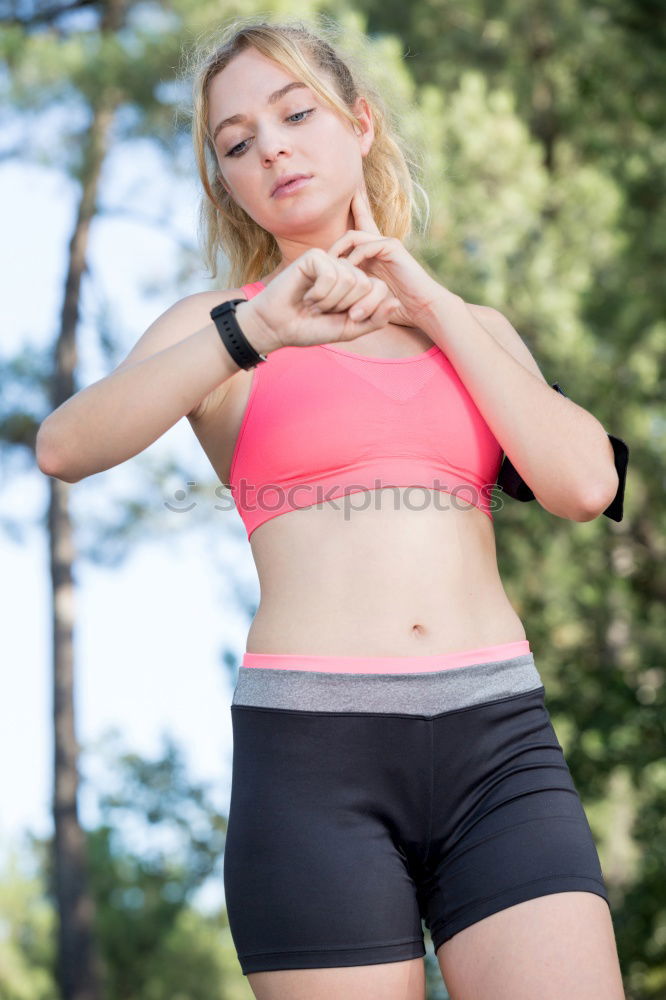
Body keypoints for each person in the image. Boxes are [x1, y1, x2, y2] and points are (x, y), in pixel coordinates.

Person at [37, 16, 628, 1000]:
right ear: (227, 180)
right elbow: (66, 445)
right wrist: (257, 328)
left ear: (358, 124)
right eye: (235, 143)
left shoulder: (471, 328)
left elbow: (586, 485)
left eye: (294, 112)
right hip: (316, 764)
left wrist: (432, 306)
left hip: (502, 751)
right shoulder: (220, 329)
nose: (269, 145)